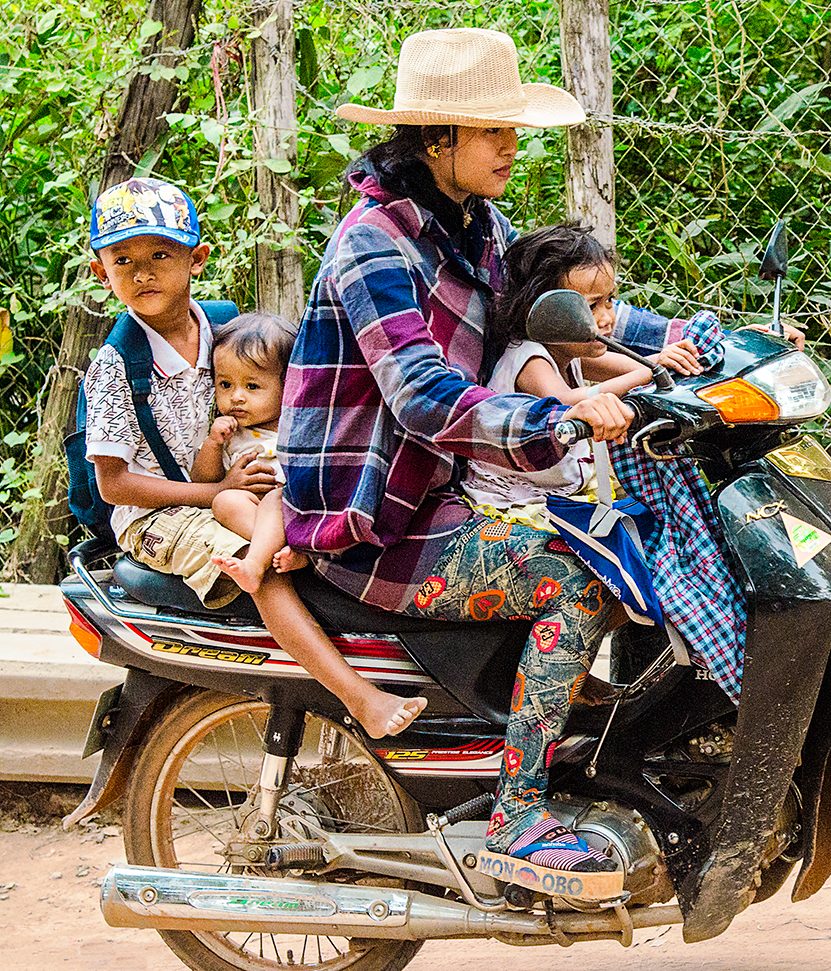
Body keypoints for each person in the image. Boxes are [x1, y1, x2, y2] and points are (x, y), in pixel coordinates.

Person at [274, 27, 698, 895]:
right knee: (574, 577)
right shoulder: (373, 244)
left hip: (448, 492)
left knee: (629, 546)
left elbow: (571, 309)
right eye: (491, 129)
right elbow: (423, 396)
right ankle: (519, 817)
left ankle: (571, 737)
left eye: (513, 127)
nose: (511, 144)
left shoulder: (476, 227)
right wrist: (562, 413)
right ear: (436, 140)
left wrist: (698, 339)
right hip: (378, 518)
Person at [80, 181, 424, 741]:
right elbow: (115, 485)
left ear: (196, 258)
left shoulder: (222, 327)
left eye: (159, 255)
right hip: (158, 517)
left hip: (236, 481)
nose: (143, 274)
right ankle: (360, 698)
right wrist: (216, 492)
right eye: (124, 261)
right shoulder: (117, 365)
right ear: (102, 272)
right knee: (259, 571)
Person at [462, 222, 703, 527]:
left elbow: (639, 368)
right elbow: (566, 400)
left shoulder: (571, 351)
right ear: (544, 315)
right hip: (520, 502)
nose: (607, 318)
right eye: (591, 307)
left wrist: (669, 360)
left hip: (564, 489)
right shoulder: (528, 357)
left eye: (609, 301)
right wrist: (649, 370)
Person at [195, 313, 309, 589]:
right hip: (259, 514)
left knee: (275, 499)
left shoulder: (298, 426)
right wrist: (213, 444)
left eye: (252, 386)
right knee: (224, 502)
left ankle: (257, 563)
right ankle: (284, 552)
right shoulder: (231, 434)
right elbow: (203, 481)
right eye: (225, 384)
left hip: (302, 513)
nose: (236, 396)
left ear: (287, 385)